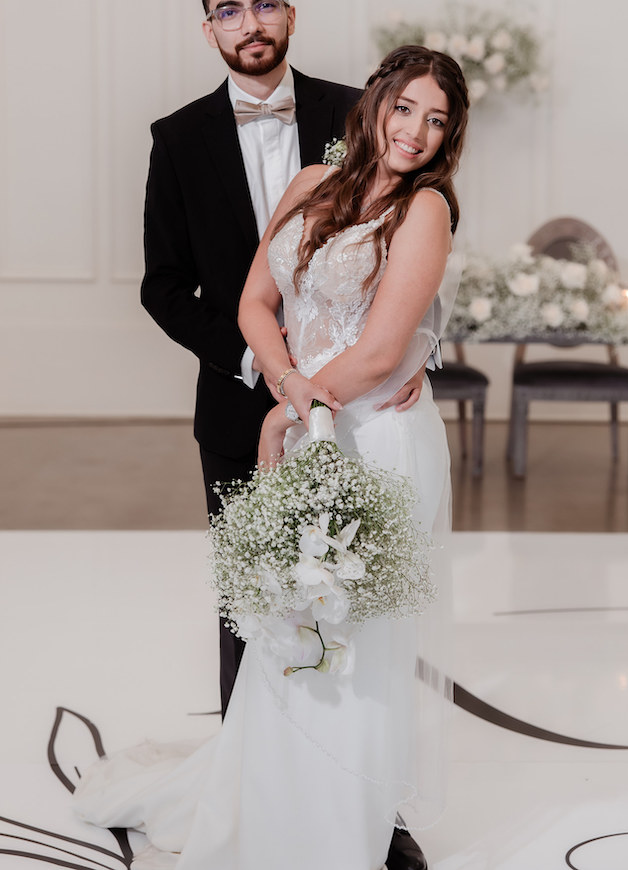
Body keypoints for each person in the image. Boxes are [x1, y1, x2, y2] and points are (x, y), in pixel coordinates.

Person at [73, 45, 469, 870]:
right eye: (406, 108)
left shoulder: (424, 209)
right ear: (376, 103)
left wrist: (290, 416)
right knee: (289, 624)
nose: (416, 132)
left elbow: (382, 348)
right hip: (311, 413)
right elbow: (255, 301)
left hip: (375, 441)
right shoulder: (309, 186)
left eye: (437, 120)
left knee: (357, 635)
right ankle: (273, 796)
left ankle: (347, 820)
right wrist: (290, 394)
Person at [139, 0, 425, 740]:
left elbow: (416, 242)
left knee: (360, 605)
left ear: (290, 14)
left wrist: (419, 350)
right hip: (239, 411)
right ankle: (250, 781)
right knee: (254, 605)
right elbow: (162, 286)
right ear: (209, 30)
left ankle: (373, 805)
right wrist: (259, 365)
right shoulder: (178, 139)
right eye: (229, 10)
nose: (250, 23)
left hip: (358, 406)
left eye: (265, 4)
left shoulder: (360, 113)